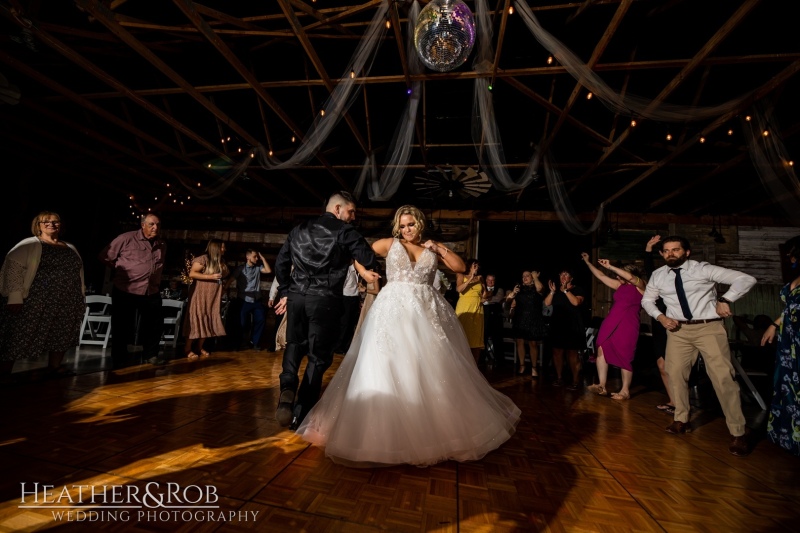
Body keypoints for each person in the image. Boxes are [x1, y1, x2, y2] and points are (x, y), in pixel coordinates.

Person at [295, 205, 521, 467]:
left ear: (420, 223)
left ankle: (433, 431)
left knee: (430, 367)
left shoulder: (430, 248)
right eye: (402, 225)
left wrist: (438, 247)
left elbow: (460, 267)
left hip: (426, 310)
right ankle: (379, 435)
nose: (406, 230)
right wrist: (365, 272)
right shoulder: (390, 244)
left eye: (410, 224)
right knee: (386, 364)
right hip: (392, 309)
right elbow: (355, 253)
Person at [641, 235, 757, 457]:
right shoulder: (658, 275)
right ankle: (681, 419)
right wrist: (660, 317)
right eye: (666, 251)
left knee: (723, 378)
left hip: (708, 328)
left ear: (687, 252)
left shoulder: (702, 269)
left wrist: (727, 300)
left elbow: (746, 279)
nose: (670, 254)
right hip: (677, 331)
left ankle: (738, 433)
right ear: (662, 254)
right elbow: (647, 300)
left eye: (675, 250)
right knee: (674, 374)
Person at [273, 191, 379, 430]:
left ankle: (288, 387)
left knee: (294, 344)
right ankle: (300, 414)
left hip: (297, 297)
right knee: (318, 358)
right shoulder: (344, 231)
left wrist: (286, 291)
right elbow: (368, 257)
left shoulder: (298, 230)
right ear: (338, 208)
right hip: (325, 300)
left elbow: (281, 263)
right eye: (351, 211)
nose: (353, 217)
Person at [0, 211, 85, 381]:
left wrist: (81, 298)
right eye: (46, 222)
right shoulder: (29, 244)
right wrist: (15, 297)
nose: (51, 224)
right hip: (35, 300)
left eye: (55, 221)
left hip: (67, 300)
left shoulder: (70, 248)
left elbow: (79, 273)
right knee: (19, 335)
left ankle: (54, 367)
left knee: (62, 333)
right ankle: (3, 372)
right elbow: (13, 271)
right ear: (38, 226)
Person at [99, 213, 167, 368]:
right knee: (122, 325)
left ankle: (151, 355)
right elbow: (105, 256)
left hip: (151, 290)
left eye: (158, 224)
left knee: (154, 325)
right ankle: (120, 358)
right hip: (126, 289)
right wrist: (121, 270)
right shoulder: (126, 238)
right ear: (143, 225)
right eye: (151, 224)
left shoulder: (162, 244)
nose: (155, 227)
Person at [582, 253, 645, 400]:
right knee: (601, 350)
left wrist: (611, 266)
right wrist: (587, 262)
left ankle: (625, 391)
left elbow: (630, 278)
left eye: (619, 275)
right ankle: (602, 386)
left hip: (628, 324)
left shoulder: (640, 285)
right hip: (610, 321)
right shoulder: (619, 286)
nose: (617, 277)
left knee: (625, 355)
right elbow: (601, 276)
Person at [760, 235, 800, 456]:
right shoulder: (796, 278)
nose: (787, 256)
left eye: (791, 251)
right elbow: (790, 309)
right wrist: (774, 325)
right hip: (789, 344)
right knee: (787, 388)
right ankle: (789, 439)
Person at [644, 236, 676, 414]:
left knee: (676, 366)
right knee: (662, 365)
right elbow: (649, 270)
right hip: (659, 323)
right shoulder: (658, 278)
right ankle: (672, 401)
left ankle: (682, 402)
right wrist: (648, 248)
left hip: (678, 324)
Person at [182, 239, 228, 360]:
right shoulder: (203, 259)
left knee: (207, 321)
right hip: (200, 295)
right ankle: (187, 348)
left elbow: (226, 274)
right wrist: (210, 276)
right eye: (223, 247)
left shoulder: (220, 261)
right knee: (196, 320)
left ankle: (199, 347)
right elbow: (192, 273)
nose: (225, 249)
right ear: (216, 248)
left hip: (212, 297)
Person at [544, 268, 586, 389]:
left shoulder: (578, 289)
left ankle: (575, 381)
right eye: (561, 274)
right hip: (558, 325)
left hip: (573, 325)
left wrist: (566, 291)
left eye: (566, 274)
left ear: (571, 278)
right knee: (557, 352)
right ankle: (559, 378)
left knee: (572, 353)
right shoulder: (556, 292)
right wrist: (552, 292)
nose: (563, 277)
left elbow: (576, 302)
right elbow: (547, 303)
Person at [228, 249, 271, 351]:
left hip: (256, 300)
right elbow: (230, 280)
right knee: (241, 323)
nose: (256, 258)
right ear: (248, 257)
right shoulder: (241, 269)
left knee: (260, 320)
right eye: (255, 256)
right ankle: (238, 343)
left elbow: (268, 270)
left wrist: (263, 258)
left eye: (257, 257)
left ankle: (255, 342)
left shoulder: (258, 268)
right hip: (244, 300)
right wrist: (224, 290)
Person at [506, 271, 546, 377]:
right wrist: (512, 294)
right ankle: (522, 365)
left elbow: (540, 289)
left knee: (533, 344)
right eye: (523, 276)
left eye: (527, 276)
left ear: (532, 277)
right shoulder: (519, 289)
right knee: (520, 342)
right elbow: (508, 302)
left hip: (534, 319)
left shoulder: (536, 288)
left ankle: (534, 368)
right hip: (520, 318)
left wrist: (535, 278)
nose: (525, 278)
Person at [455, 259, 486, 363]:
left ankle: (475, 367)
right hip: (465, 307)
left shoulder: (480, 278)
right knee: (463, 336)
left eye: (477, 265)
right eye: (474, 265)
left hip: (477, 308)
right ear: (469, 265)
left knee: (476, 338)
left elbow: (484, 294)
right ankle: (462, 365)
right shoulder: (461, 275)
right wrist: (470, 278)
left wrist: (485, 295)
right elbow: (459, 289)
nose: (476, 267)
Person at [334, 262, 361, 354]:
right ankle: (338, 347)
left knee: (351, 323)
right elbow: (341, 286)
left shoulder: (357, 272)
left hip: (354, 298)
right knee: (344, 324)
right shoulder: (348, 270)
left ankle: (345, 347)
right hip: (346, 299)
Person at [481, 274, 506, 366]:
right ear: (486, 280)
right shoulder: (481, 288)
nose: (490, 282)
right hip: (485, 317)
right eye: (488, 280)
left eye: (492, 281)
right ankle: (482, 360)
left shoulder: (499, 289)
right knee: (483, 338)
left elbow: (498, 298)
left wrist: (485, 300)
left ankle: (499, 361)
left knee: (497, 339)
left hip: (496, 317)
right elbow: (479, 299)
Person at [353, 274, 380, 340]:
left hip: (370, 301)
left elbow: (377, 291)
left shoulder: (374, 276)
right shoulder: (362, 275)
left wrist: (364, 290)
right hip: (362, 300)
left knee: (367, 320)